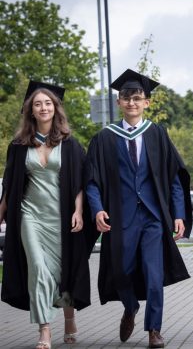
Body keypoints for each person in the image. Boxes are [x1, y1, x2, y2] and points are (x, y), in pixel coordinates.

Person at [85, 69, 193, 348]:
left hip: (153, 217)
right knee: (120, 270)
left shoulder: (157, 134)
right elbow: (92, 181)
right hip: (120, 217)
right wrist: (97, 210)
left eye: (137, 97)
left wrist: (178, 214)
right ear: (118, 103)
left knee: (154, 274)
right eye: (126, 98)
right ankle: (130, 306)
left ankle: (154, 329)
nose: (131, 102)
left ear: (146, 102)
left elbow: (174, 178)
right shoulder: (105, 138)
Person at [0, 81, 95, 349]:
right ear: (31, 110)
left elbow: (78, 181)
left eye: (48, 103)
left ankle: (69, 317)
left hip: (61, 217)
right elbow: (11, 182)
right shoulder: (19, 146)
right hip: (30, 215)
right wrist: (1, 210)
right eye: (38, 104)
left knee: (61, 271)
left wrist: (78, 211)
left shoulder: (71, 144)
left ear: (55, 109)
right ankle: (44, 330)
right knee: (39, 270)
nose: (43, 107)